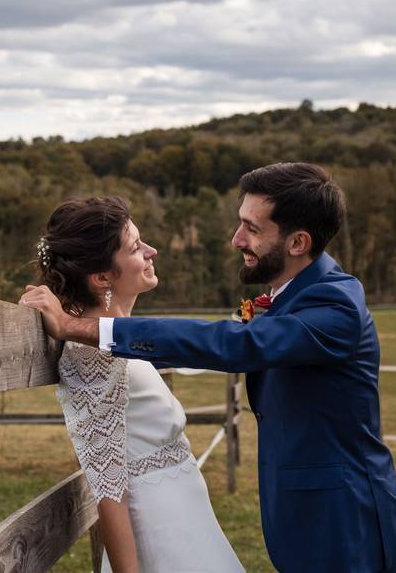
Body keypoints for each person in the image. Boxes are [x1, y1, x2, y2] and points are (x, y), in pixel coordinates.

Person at [20, 163, 396, 573]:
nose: (236, 239)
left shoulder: (335, 306)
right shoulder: (291, 297)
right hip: (261, 522)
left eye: (253, 229)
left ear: (298, 242)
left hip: (346, 525)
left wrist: (79, 326)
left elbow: (229, 344)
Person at [30, 196, 244, 573]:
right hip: (159, 533)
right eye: (135, 247)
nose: (151, 251)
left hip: (187, 521)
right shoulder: (90, 356)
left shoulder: (116, 344)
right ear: (102, 277)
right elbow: (108, 488)